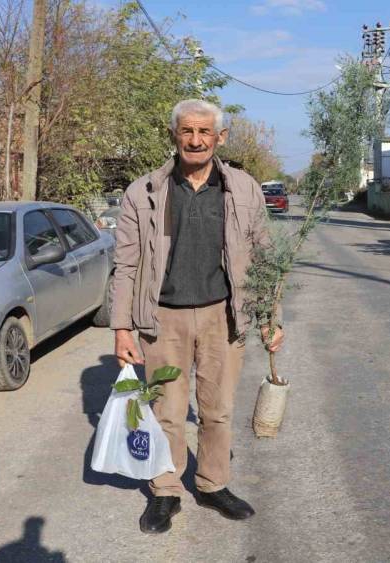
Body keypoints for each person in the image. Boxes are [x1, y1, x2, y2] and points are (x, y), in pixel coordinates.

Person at [110, 99, 285, 534]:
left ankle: (212, 484)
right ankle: (166, 490)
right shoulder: (144, 191)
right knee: (167, 411)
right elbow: (126, 265)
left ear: (220, 138)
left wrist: (271, 316)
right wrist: (121, 328)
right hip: (162, 320)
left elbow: (265, 257)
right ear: (174, 135)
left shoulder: (242, 188)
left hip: (222, 316)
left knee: (217, 409)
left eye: (204, 132)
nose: (195, 140)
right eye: (187, 131)